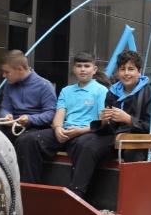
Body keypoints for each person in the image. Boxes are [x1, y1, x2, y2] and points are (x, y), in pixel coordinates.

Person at [66, 51, 151, 199]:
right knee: (85, 144)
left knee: (132, 154)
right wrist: (104, 121)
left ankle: (132, 199)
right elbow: (108, 128)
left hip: (137, 141)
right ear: (117, 72)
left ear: (139, 71)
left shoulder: (150, 92)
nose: (126, 73)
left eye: (131, 69)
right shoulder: (112, 92)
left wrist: (129, 119)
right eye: (122, 69)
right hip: (115, 137)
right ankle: (77, 194)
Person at [15, 52, 108, 184]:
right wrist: (58, 128)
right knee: (27, 140)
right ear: (74, 69)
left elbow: (102, 122)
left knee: (83, 145)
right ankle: (28, 188)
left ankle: (75, 192)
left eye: (86, 66)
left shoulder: (101, 91)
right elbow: (58, 116)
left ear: (94, 70)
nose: (82, 69)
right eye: (79, 66)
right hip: (64, 132)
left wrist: (80, 131)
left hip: (85, 133)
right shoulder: (66, 90)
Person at [0, 49, 57, 132]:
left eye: (7, 72)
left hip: (36, 128)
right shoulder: (9, 85)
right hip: (14, 125)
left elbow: (51, 114)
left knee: (25, 140)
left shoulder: (45, 85)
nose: (4, 75)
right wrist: (6, 115)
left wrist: (30, 119)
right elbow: (5, 108)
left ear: (20, 69)